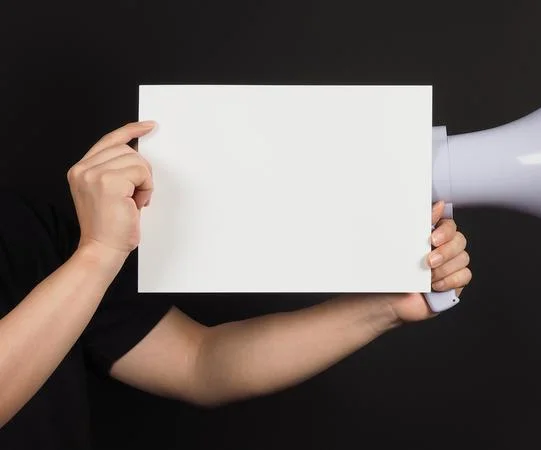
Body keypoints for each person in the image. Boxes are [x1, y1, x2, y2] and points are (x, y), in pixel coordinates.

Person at [0, 121, 473, 449]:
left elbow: (198, 362)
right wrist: (99, 252)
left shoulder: (24, 230)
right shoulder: (87, 248)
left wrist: (389, 305)